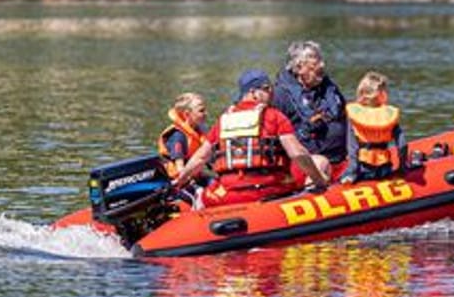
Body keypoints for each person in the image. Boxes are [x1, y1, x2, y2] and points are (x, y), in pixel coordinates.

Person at [174, 69, 328, 207]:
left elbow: (200, 158)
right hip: (269, 190)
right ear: (254, 93)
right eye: (267, 89)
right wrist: (319, 180)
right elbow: (297, 153)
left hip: (228, 194)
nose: (272, 93)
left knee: (205, 193)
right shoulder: (274, 116)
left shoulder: (224, 121)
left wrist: (180, 181)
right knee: (321, 161)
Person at [272, 40, 347, 176]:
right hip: (311, 165)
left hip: (341, 159)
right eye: (315, 63)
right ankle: (314, 190)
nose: (322, 66)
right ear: (299, 67)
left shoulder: (331, 89)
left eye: (321, 61)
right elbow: (275, 138)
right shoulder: (280, 96)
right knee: (321, 163)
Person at [340, 71, 407, 185]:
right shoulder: (388, 115)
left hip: (363, 169)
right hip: (384, 169)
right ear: (382, 94)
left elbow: (353, 148)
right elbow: (402, 145)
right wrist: (402, 166)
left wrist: (351, 172)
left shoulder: (355, 115)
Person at [157, 92, 208, 181]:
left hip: (195, 177)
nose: (206, 113)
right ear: (187, 114)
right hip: (178, 181)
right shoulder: (178, 135)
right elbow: (180, 168)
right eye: (201, 110)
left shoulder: (199, 132)